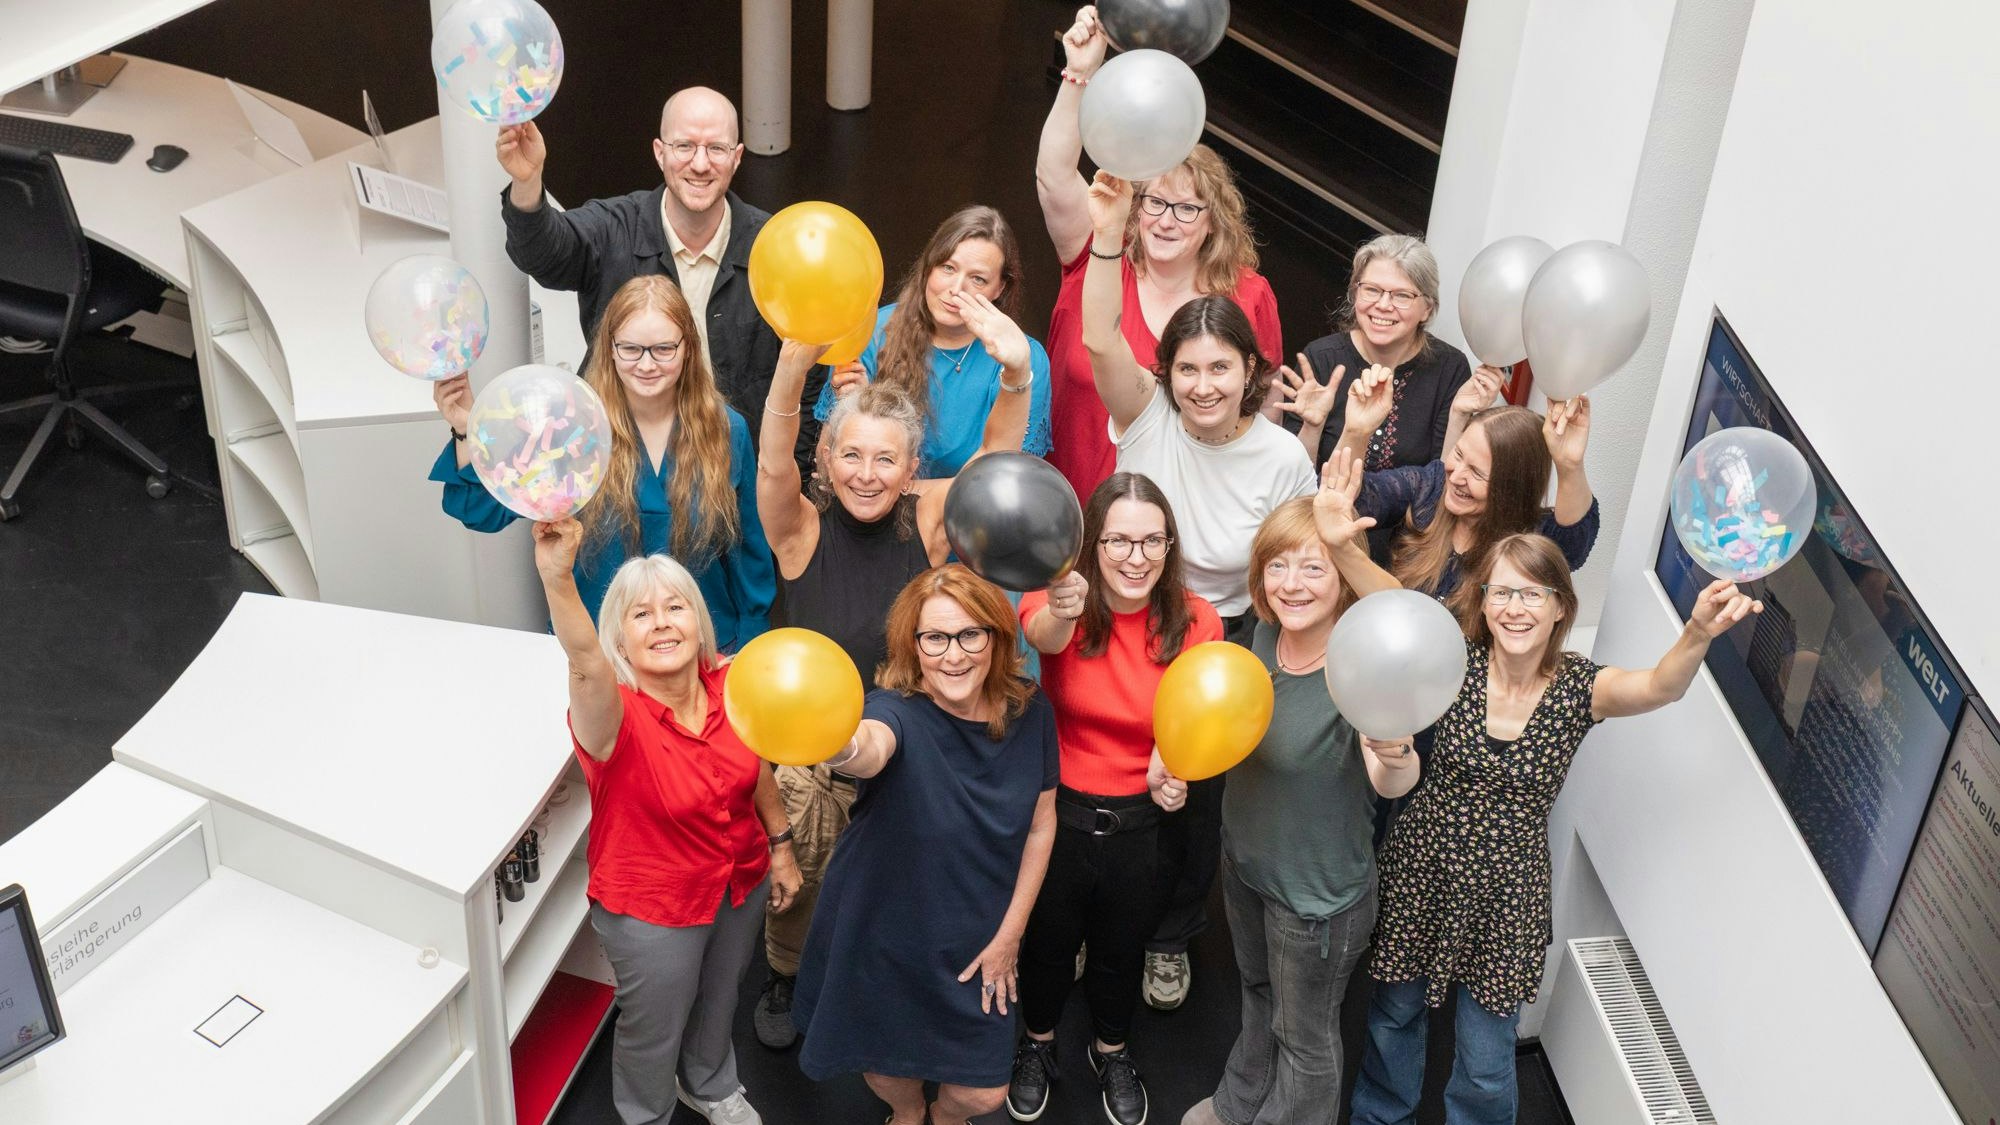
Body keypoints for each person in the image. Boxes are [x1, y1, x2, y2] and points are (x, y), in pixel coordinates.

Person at [1348, 534, 1762, 1125]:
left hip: (1508, 896)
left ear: (1561, 606)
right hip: (1422, 870)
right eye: (1502, 592)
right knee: (1393, 1017)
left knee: (1486, 1058)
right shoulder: (1450, 660)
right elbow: (1392, 609)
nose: (1515, 608)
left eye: (1532, 594)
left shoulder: (1578, 688)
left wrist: (1696, 631)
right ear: (1484, 602)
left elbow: (1660, 687)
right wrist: (1342, 547)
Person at [749, 298, 1035, 1051]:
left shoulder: (932, 517)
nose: (867, 474)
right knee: (803, 884)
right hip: (815, 763)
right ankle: (786, 970)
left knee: (893, 903)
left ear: (912, 467)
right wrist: (793, 361)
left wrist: (1014, 373)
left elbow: (997, 459)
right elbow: (773, 459)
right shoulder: (799, 528)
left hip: (908, 759)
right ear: (827, 459)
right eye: (851, 455)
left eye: (886, 459)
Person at [1082, 169, 1315, 1010]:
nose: (1204, 386)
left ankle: (1170, 936)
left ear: (1250, 369)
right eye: (1188, 369)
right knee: (1101, 778)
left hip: (1230, 629)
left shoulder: (1282, 458)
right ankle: (1090, 917)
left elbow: (1292, 566)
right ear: (1167, 373)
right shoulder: (1144, 417)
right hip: (1133, 609)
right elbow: (1102, 335)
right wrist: (1110, 232)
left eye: (1222, 368)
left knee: (1194, 798)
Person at [1166, 461, 1421, 1125]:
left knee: (1305, 1037)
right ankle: (1239, 1100)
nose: (1291, 584)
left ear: (1344, 576)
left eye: (1314, 567)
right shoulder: (1263, 634)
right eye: (1279, 565)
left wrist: (1394, 756)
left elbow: (1393, 774)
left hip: (1317, 900)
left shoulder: (1366, 665)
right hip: (1247, 864)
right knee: (1255, 996)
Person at [532, 518, 803, 1125]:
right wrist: (557, 576)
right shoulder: (613, 716)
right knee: (653, 1026)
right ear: (620, 643)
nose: (662, 623)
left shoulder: (734, 685)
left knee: (719, 998)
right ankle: (646, 1113)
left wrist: (781, 846)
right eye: (641, 615)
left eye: (675, 607)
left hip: (741, 880)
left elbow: (756, 766)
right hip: (653, 908)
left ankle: (708, 1083)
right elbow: (583, 662)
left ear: (697, 621)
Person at [791, 565, 1060, 1125]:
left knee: (982, 1094)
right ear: (913, 647)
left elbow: (1041, 824)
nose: (953, 655)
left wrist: (1010, 936)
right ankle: (909, 1116)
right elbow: (869, 746)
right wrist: (837, 744)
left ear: (996, 637)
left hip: (978, 929)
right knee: (887, 1065)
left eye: (969, 635)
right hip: (884, 926)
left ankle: (945, 1118)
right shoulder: (895, 710)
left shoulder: (1032, 711)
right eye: (934, 638)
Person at [1005, 473, 1224, 1125]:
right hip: (1059, 814)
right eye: (1120, 540)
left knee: (1121, 948)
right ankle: (1037, 1044)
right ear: (1093, 544)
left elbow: (1203, 713)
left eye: (1152, 540)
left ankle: (1112, 1049)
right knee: (1046, 944)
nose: (1136, 556)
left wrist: (1176, 754)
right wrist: (1064, 607)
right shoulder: (1062, 599)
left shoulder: (1198, 619)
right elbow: (1041, 635)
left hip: (1146, 821)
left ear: (1169, 544)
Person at [432, 275, 775, 649]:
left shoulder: (726, 430)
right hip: (600, 654)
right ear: (609, 349)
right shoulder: (570, 427)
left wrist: (747, 650)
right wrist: (467, 431)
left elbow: (749, 557)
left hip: (702, 652)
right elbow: (481, 511)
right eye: (630, 348)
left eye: (663, 348)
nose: (646, 364)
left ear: (688, 349)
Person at [494, 87, 821, 471]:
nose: (700, 164)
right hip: (623, 471)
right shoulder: (614, 228)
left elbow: (809, 373)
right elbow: (545, 255)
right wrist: (529, 183)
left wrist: (785, 478)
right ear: (659, 152)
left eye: (716, 149)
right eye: (684, 146)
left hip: (736, 479)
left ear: (737, 158)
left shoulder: (775, 248)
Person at [1039, 5, 1283, 503]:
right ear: (1136, 203)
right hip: (1071, 508)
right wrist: (1080, 74)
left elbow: (1264, 407)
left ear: (1213, 220)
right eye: (1156, 201)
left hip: (1178, 528)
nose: (1167, 219)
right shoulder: (1095, 256)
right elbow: (1054, 175)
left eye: (1188, 208)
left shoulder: (1248, 295)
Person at [812, 205, 1054, 478]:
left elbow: (1004, 480)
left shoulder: (1024, 358)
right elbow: (827, 467)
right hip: (871, 506)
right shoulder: (874, 331)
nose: (956, 288)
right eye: (948, 268)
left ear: (999, 289)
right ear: (928, 269)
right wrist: (856, 411)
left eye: (977, 279)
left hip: (967, 515)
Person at [1350, 397, 1600, 600]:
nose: (1456, 476)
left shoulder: (1531, 535)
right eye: (1458, 454)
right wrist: (1357, 432)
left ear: (1511, 490)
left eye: (1477, 473)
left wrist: (1569, 465)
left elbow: (1572, 546)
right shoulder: (1431, 486)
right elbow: (1356, 500)